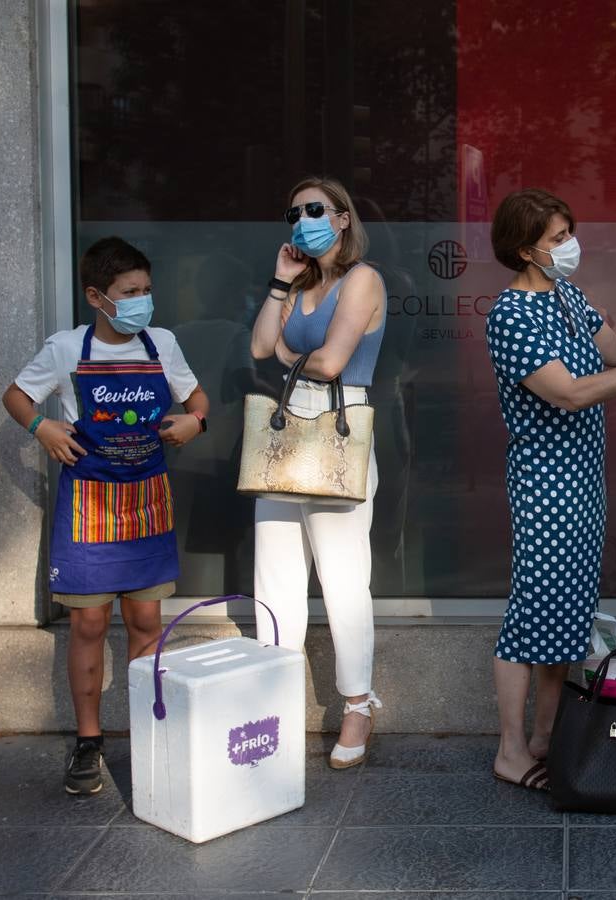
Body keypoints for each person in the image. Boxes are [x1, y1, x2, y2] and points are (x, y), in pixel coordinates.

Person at [484, 188, 616, 791]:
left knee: (566, 620)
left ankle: (544, 741)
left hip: (584, 482)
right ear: (525, 248)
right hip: (545, 485)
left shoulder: (569, 296)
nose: (569, 245)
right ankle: (509, 750)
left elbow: (615, 350)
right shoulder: (510, 314)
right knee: (531, 618)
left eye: (567, 233)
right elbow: (569, 392)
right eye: (557, 238)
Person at [2, 237, 207, 794]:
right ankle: (88, 742)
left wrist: (195, 423)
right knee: (88, 624)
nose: (143, 301)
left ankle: (148, 731)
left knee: (145, 623)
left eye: (146, 290)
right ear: (97, 296)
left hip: (146, 501)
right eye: (129, 293)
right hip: (89, 503)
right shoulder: (67, 348)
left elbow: (198, 401)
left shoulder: (161, 342)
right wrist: (40, 427)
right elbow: (17, 395)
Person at [249, 175, 387, 769]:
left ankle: (358, 703)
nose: (302, 218)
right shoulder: (301, 282)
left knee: (343, 575)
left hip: (338, 429)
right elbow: (259, 345)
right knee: (274, 574)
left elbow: (331, 364)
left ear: (342, 218)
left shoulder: (364, 279)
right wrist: (280, 283)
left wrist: (287, 353)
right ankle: (272, 699)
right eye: (294, 211)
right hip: (285, 433)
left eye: (314, 209)